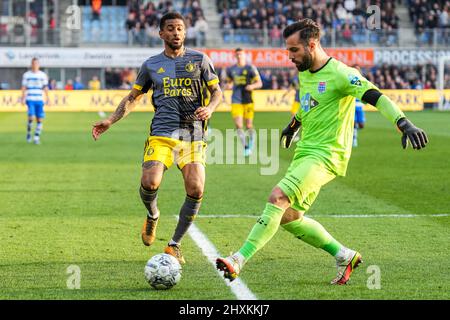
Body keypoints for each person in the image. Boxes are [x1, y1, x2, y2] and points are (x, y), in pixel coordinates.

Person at [216, 19, 428, 285]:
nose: (289, 56)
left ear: (312, 44)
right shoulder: (305, 71)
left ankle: (238, 259)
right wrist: (293, 125)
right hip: (306, 151)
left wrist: (403, 122)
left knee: (278, 198)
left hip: (327, 154)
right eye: (287, 50)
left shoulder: (341, 73)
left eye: (293, 50)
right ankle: (344, 255)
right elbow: (309, 104)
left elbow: (375, 95)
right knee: (290, 217)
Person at [92, 12, 222, 264]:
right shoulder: (151, 65)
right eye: (171, 29)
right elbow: (132, 97)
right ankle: (153, 215)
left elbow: (216, 92)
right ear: (161, 34)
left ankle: (174, 244)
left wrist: (211, 108)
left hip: (193, 134)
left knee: (196, 188)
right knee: (150, 182)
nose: (176, 33)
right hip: (162, 133)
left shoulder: (201, 60)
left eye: (180, 29)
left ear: (185, 32)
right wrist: (110, 120)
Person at [225, 48, 263, 156]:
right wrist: (228, 86)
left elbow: (259, 83)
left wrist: (252, 86)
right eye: (237, 55)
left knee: (249, 125)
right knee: (238, 125)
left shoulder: (250, 68)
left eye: (241, 54)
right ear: (234, 56)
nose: (239, 56)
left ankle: (251, 142)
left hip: (248, 100)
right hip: (236, 100)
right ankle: (245, 147)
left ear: (244, 55)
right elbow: (230, 83)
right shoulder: (231, 69)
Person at [21, 57, 49, 144]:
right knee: (31, 117)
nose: (35, 65)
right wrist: (22, 97)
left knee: (39, 119)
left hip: (39, 99)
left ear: (39, 65)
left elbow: (45, 87)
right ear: (31, 65)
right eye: (33, 63)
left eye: (36, 63)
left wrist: (47, 97)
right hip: (30, 99)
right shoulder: (26, 75)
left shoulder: (42, 75)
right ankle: (29, 133)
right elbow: (24, 87)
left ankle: (36, 137)